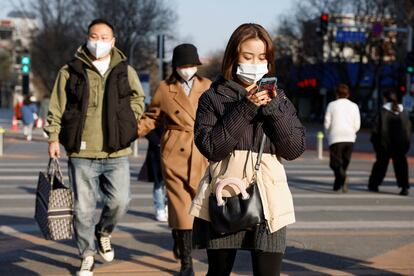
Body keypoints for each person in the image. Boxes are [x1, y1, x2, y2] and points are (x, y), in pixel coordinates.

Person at [190, 23, 305, 276]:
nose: (256, 63)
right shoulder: (213, 98)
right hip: (225, 194)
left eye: (262, 57)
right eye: (248, 56)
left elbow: (294, 148)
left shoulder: (279, 98)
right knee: (218, 272)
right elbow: (211, 147)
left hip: (269, 198)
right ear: (234, 57)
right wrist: (247, 107)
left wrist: (272, 108)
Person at [44, 19, 145, 276]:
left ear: (113, 41)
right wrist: (53, 138)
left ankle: (104, 232)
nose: (98, 41)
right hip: (81, 152)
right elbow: (56, 105)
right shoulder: (70, 70)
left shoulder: (124, 69)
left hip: (115, 151)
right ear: (87, 38)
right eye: (93, 36)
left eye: (104, 37)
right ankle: (86, 254)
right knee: (82, 209)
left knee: (121, 201)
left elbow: (138, 98)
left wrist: (129, 119)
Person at [138, 43, 211, 276]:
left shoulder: (208, 86)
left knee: (200, 209)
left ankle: (179, 238)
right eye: (183, 65)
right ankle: (186, 263)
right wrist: (129, 132)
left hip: (202, 152)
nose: (187, 69)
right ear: (175, 66)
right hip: (174, 153)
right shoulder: (164, 88)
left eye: (191, 65)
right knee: (181, 209)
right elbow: (151, 117)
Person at [368, 89, 411, 196]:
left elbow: (375, 130)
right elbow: (408, 129)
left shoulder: (383, 112)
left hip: (384, 145)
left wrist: (375, 143)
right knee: (401, 166)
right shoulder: (403, 112)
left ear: (385, 99)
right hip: (400, 145)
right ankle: (404, 187)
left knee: (380, 165)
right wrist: (406, 144)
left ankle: (374, 184)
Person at [324, 84, 360, 192]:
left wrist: (328, 134)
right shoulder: (354, 106)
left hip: (336, 137)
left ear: (336, 94)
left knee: (335, 163)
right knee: (344, 162)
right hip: (350, 137)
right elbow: (357, 124)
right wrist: (353, 131)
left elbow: (327, 123)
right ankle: (338, 183)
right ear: (348, 94)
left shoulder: (331, 105)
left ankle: (342, 178)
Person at [138, 123, 168, 222]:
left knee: (173, 183)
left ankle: (168, 207)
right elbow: (146, 127)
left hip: (173, 150)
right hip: (157, 152)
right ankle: (160, 208)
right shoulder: (156, 109)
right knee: (159, 183)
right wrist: (158, 142)